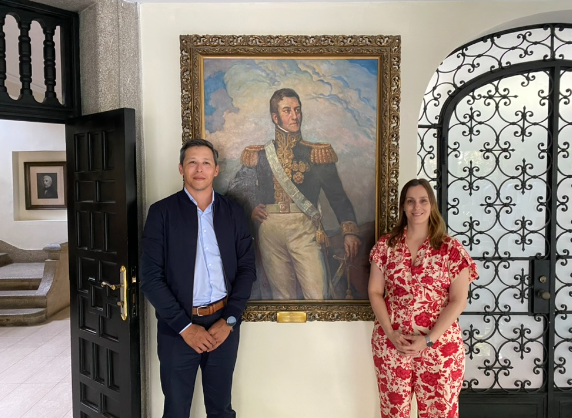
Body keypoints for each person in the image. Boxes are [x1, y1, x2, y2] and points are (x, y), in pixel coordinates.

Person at [140, 139, 256, 418]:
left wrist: (229, 321)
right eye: (192, 162)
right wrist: (185, 327)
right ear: (181, 168)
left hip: (222, 325)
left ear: (216, 170)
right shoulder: (161, 213)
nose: (199, 169)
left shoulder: (233, 212)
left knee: (221, 410)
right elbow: (150, 278)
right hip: (177, 328)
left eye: (206, 163)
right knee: (176, 410)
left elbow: (247, 268)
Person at [228, 88, 361, 300]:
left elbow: (337, 196)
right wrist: (250, 208)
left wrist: (349, 231)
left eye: (297, 110)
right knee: (282, 299)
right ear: (275, 117)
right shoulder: (259, 155)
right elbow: (237, 189)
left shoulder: (316, 153)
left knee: (317, 296)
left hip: (304, 228)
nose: (295, 115)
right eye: (287, 110)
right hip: (270, 230)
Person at [368, 178, 478, 418]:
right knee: (394, 412)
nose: (416, 207)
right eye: (410, 201)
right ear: (403, 206)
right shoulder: (386, 246)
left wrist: (428, 340)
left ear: (432, 205)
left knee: (440, 412)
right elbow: (375, 292)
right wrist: (390, 333)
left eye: (423, 201)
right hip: (393, 343)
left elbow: (459, 300)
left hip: (440, 346)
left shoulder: (450, 248)